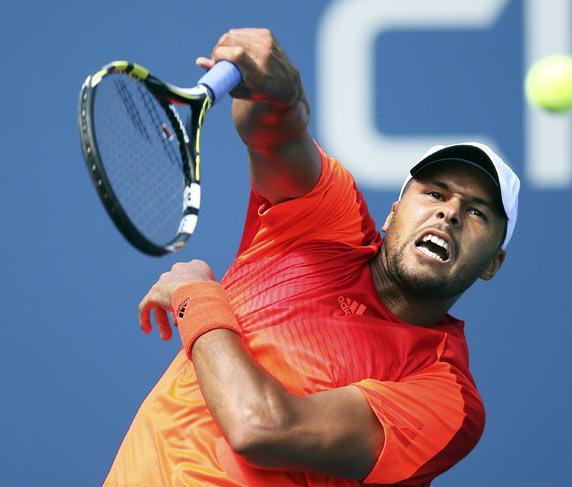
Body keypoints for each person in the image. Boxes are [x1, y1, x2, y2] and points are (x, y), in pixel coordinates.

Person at [104, 28, 520, 486]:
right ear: (393, 213)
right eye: (435, 193)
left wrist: (195, 297)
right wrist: (281, 96)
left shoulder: (447, 397)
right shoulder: (327, 223)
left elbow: (260, 427)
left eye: (477, 212)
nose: (450, 213)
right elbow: (273, 134)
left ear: (492, 265)